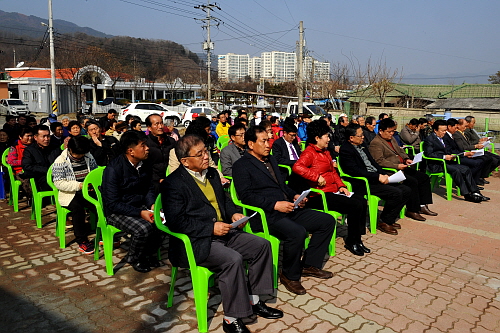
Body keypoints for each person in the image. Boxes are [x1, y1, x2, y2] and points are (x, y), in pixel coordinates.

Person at [161, 134, 282, 333]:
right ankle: (231, 318)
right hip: (197, 241)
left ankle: (254, 300)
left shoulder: (211, 174)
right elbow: (175, 222)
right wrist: (210, 228)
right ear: (185, 161)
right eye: (199, 155)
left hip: (224, 232)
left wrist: (233, 212)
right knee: (232, 259)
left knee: (262, 245)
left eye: (205, 152)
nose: (206, 157)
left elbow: (223, 200)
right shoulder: (173, 184)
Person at [233, 126, 335, 295]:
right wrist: (274, 205)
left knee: (327, 221)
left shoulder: (271, 159)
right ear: (251, 144)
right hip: (266, 214)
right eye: (263, 141)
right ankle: (289, 275)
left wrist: (295, 196)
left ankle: (309, 264)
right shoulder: (241, 165)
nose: (268, 145)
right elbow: (246, 196)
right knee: (297, 233)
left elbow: (282, 186)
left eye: (269, 140)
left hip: (288, 208)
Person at [293, 120, 370, 256]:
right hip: (319, 196)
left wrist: (341, 186)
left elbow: (333, 172)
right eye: (326, 136)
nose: (329, 139)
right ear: (317, 138)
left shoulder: (326, 152)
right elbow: (297, 167)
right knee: (354, 205)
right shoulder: (309, 153)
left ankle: (357, 239)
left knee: (362, 201)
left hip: (333, 191)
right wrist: (316, 177)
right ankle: (352, 241)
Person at [101, 130, 163, 273]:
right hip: (117, 211)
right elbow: (112, 203)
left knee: (163, 221)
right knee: (143, 228)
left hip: (138, 205)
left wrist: (152, 204)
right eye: (143, 145)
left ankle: (147, 254)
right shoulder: (113, 170)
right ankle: (135, 258)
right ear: (131, 151)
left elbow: (148, 189)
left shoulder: (144, 164)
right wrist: (140, 213)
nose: (147, 148)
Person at [339, 124, 411, 235]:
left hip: (375, 177)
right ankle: (384, 221)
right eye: (360, 135)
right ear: (351, 138)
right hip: (364, 182)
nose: (363, 137)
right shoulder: (346, 150)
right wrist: (377, 177)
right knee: (395, 193)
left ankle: (389, 218)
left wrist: (383, 174)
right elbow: (355, 171)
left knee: (406, 190)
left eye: (363, 135)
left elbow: (373, 163)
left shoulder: (362, 145)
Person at [369, 118, 437, 220]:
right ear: (381, 131)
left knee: (423, 177)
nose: (391, 134)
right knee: (412, 182)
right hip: (392, 171)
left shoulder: (391, 139)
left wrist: (406, 159)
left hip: (402, 167)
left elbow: (399, 151)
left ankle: (422, 205)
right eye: (389, 131)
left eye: (393, 131)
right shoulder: (376, 143)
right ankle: (412, 209)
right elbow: (379, 161)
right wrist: (397, 166)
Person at [52, 136, 98, 254]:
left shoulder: (88, 156)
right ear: (70, 149)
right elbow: (59, 183)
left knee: (101, 204)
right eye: (78, 154)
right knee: (78, 209)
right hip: (70, 193)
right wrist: (79, 185)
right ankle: (81, 240)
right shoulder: (60, 161)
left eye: (83, 153)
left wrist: (91, 184)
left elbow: (94, 171)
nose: (81, 156)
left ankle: (102, 232)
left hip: (88, 191)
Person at [423, 120, 488, 203]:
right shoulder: (429, 139)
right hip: (437, 164)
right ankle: (466, 194)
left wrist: (454, 155)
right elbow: (429, 154)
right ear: (435, 130)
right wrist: (444, 157)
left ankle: (476, 192)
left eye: (445, 130)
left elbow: (450, 150)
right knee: (456, 170)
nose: (444, 132)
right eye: (442, 131)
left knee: (466, 169)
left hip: (447, 162)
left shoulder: (443, 138)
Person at [444, 118, 486, 186]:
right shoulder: (448, 136)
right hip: (455, 157)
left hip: (460, 154)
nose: (456, 129)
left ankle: (472, 182)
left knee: (481, 160)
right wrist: (465, 153)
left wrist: (466, 153)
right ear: (449, 127)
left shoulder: (452, 135)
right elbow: (452, 150)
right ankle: (467, 181)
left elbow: (459, 148)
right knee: (476, 163)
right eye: (455, 127)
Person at [22, 125, 61, 192]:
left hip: (57, 175)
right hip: (39, 178)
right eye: (43, 136)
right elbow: (27, 166)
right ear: (35, 137)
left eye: (48, 136)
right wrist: (47, 171)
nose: (46, 139)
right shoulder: (30, 150)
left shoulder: (55, 148)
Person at [145, 114, 176, 192]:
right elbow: (145, 166)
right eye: (156, 124)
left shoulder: (170, 141)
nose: (160, 126)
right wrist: (157, 179)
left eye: (161, 123)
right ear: (149, 127)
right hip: (153, 183)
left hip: (171, 179)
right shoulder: (145, 143)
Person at [7, 126, 34, 199]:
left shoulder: (35, 146)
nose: (30, 138)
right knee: (27, 180)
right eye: (27, 136)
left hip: (33, 169)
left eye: (31, 136)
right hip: (20, 171)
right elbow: (10, 161)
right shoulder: (15, 147)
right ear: (20, 137)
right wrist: (25, 162)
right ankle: (31, 198)